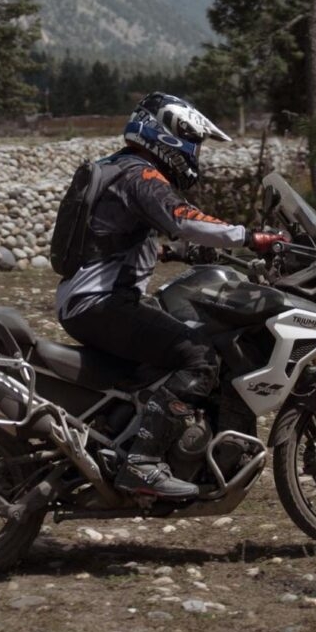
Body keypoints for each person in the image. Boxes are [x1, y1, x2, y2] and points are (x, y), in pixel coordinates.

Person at [55, 92, 285, 500]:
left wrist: (180, 252)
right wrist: (251, 237)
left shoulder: (114, 167)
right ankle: (142, 463)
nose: (195, 153)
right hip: (101, 303)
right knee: (199, 356)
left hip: (87, 299)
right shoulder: (140, 175)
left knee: (169, 337)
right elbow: (182, 217)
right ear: (171, 134)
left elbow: (115, 241)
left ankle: (134, 437)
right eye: (193, 143)